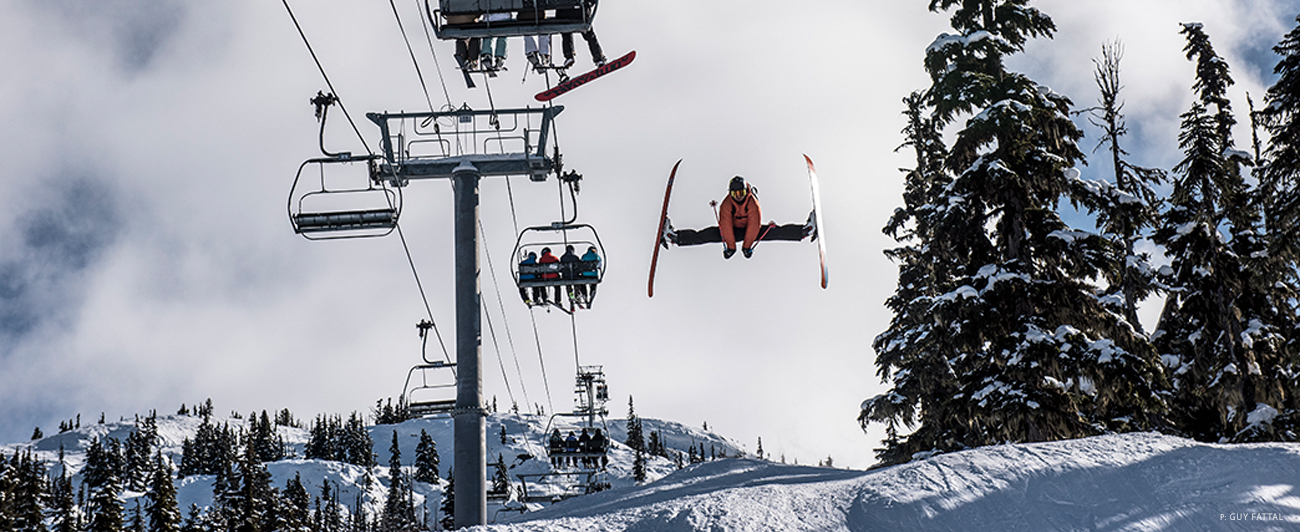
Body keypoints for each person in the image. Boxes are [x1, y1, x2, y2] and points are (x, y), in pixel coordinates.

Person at [664, 175, 813, 258]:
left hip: (751, 230)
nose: (739, 196)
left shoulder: (752, 203)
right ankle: (674, 237)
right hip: (732, 231)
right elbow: (726, 226)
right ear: (730, 193)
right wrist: (731, 248)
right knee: (706, 235)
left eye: (741, 193)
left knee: (774, 232)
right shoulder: (726, 204)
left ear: (746, 191)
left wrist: (746, 247)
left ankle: (806, 230)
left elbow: (754, 225)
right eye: (735, 194)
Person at [556, 0, 605, 71]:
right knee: (589, 34)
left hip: (563, 15)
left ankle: (569, 55)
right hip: (580, 13)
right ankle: (598, 58)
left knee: (566, 31)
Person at [560, 244, 581, 309]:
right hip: (575, 276)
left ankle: (571, 297)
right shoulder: (576, 257)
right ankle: (577, 296)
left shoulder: (563, 258)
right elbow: (579, 267)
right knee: (576, 285)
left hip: (566, 276)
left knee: (568, 287)